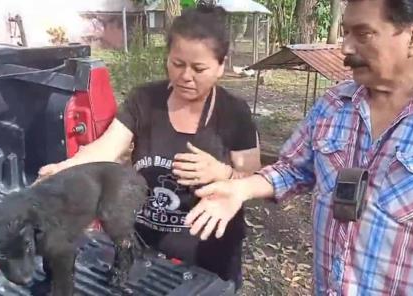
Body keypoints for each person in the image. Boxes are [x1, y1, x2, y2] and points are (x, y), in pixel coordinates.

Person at [185, 0, 413, 294]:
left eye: (362, 34)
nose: (345, 48)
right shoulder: (333, 105)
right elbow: (292, 169)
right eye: (345, 32)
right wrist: (241, 188)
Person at [37, 5, 260, 289]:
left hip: (208, 257)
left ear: (221, 66)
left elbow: (253, 179)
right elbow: (105, 149)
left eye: (199, 68)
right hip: (145, 249)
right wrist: (62, 170)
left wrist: (222, 173)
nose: (185, 76)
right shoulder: (144, 100)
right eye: (177, 64)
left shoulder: (234, 113)